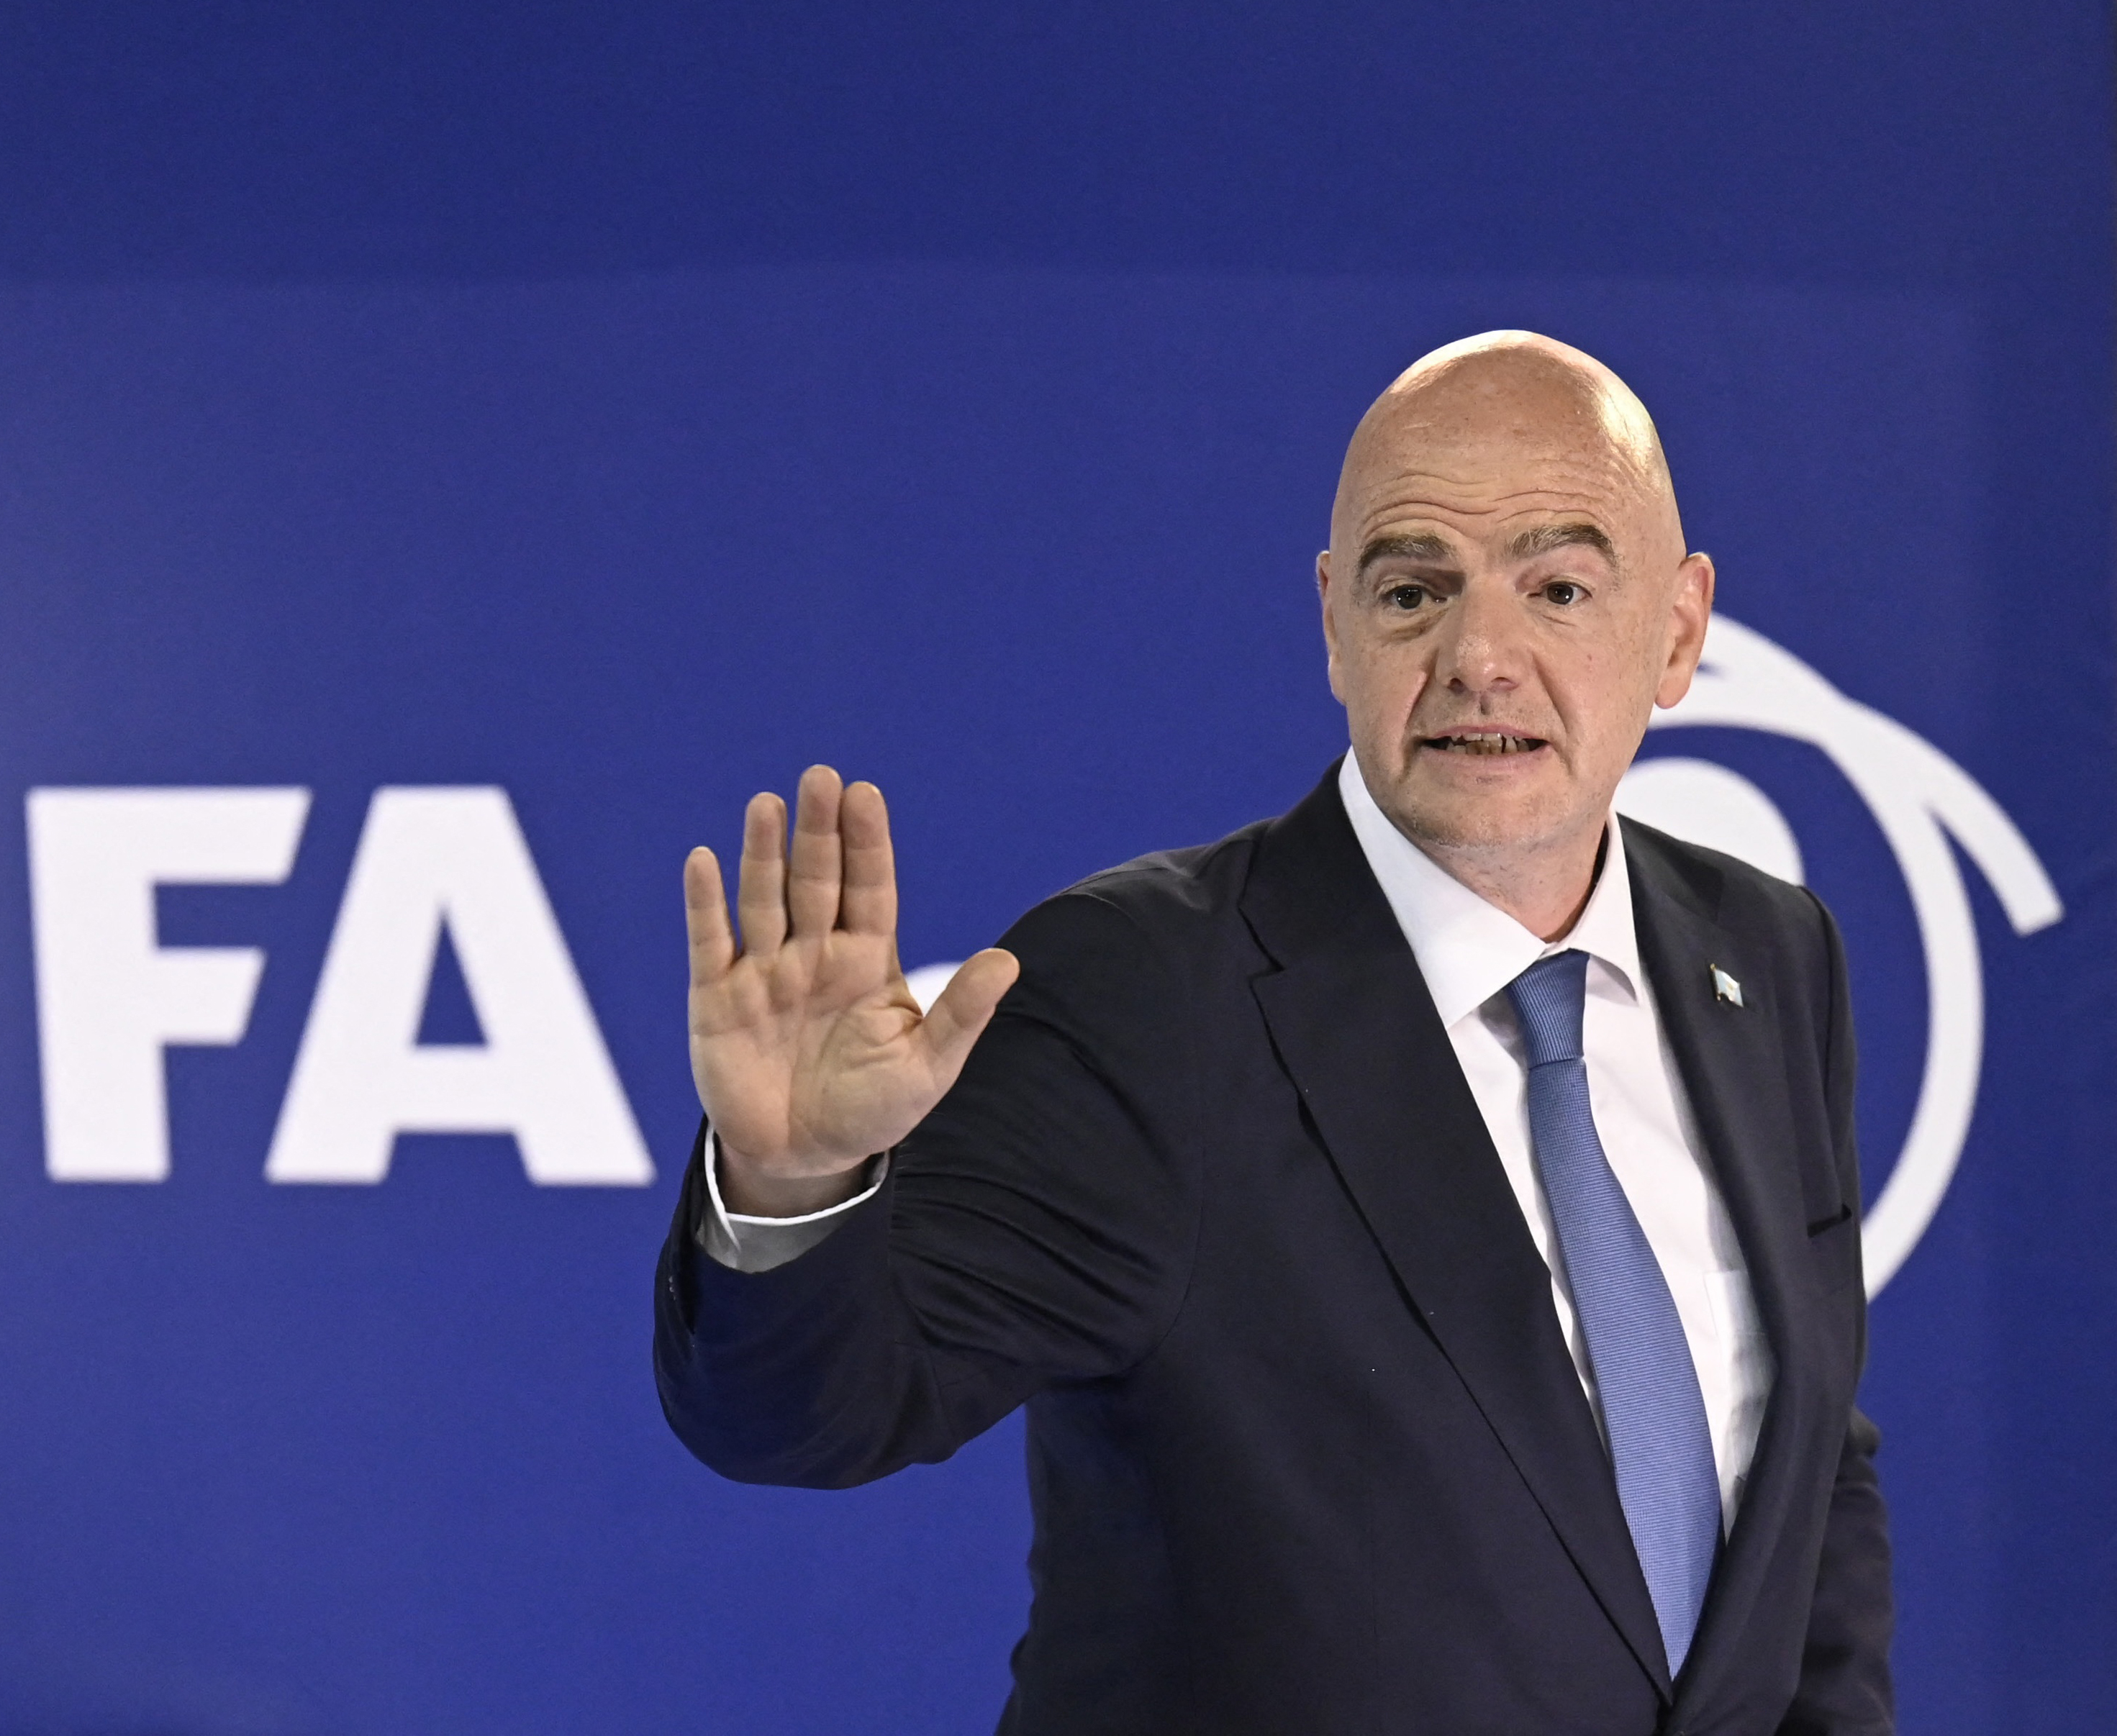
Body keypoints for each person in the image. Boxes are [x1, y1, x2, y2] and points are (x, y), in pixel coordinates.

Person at [653, 332, 1894, 1735]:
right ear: (1334, 625)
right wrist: (793, 1185)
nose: (1481, 658)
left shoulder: (1766, 955)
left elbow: (1805, 1461)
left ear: (1675, 631)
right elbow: (810, 1413)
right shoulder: (1146, 990)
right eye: (1413, 590)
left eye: (1556, 587)